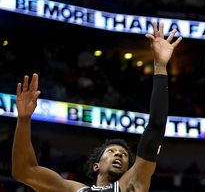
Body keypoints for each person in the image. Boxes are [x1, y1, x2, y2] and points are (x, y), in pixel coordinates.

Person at [11, 22, 182, 192]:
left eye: (123, 155)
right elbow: (25, 172)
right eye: (112, 151)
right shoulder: (73, 190)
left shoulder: (132, 184)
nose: (119, 154)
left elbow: (156, 126)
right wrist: (24, 120)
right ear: (96, 166)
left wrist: (160, 66)